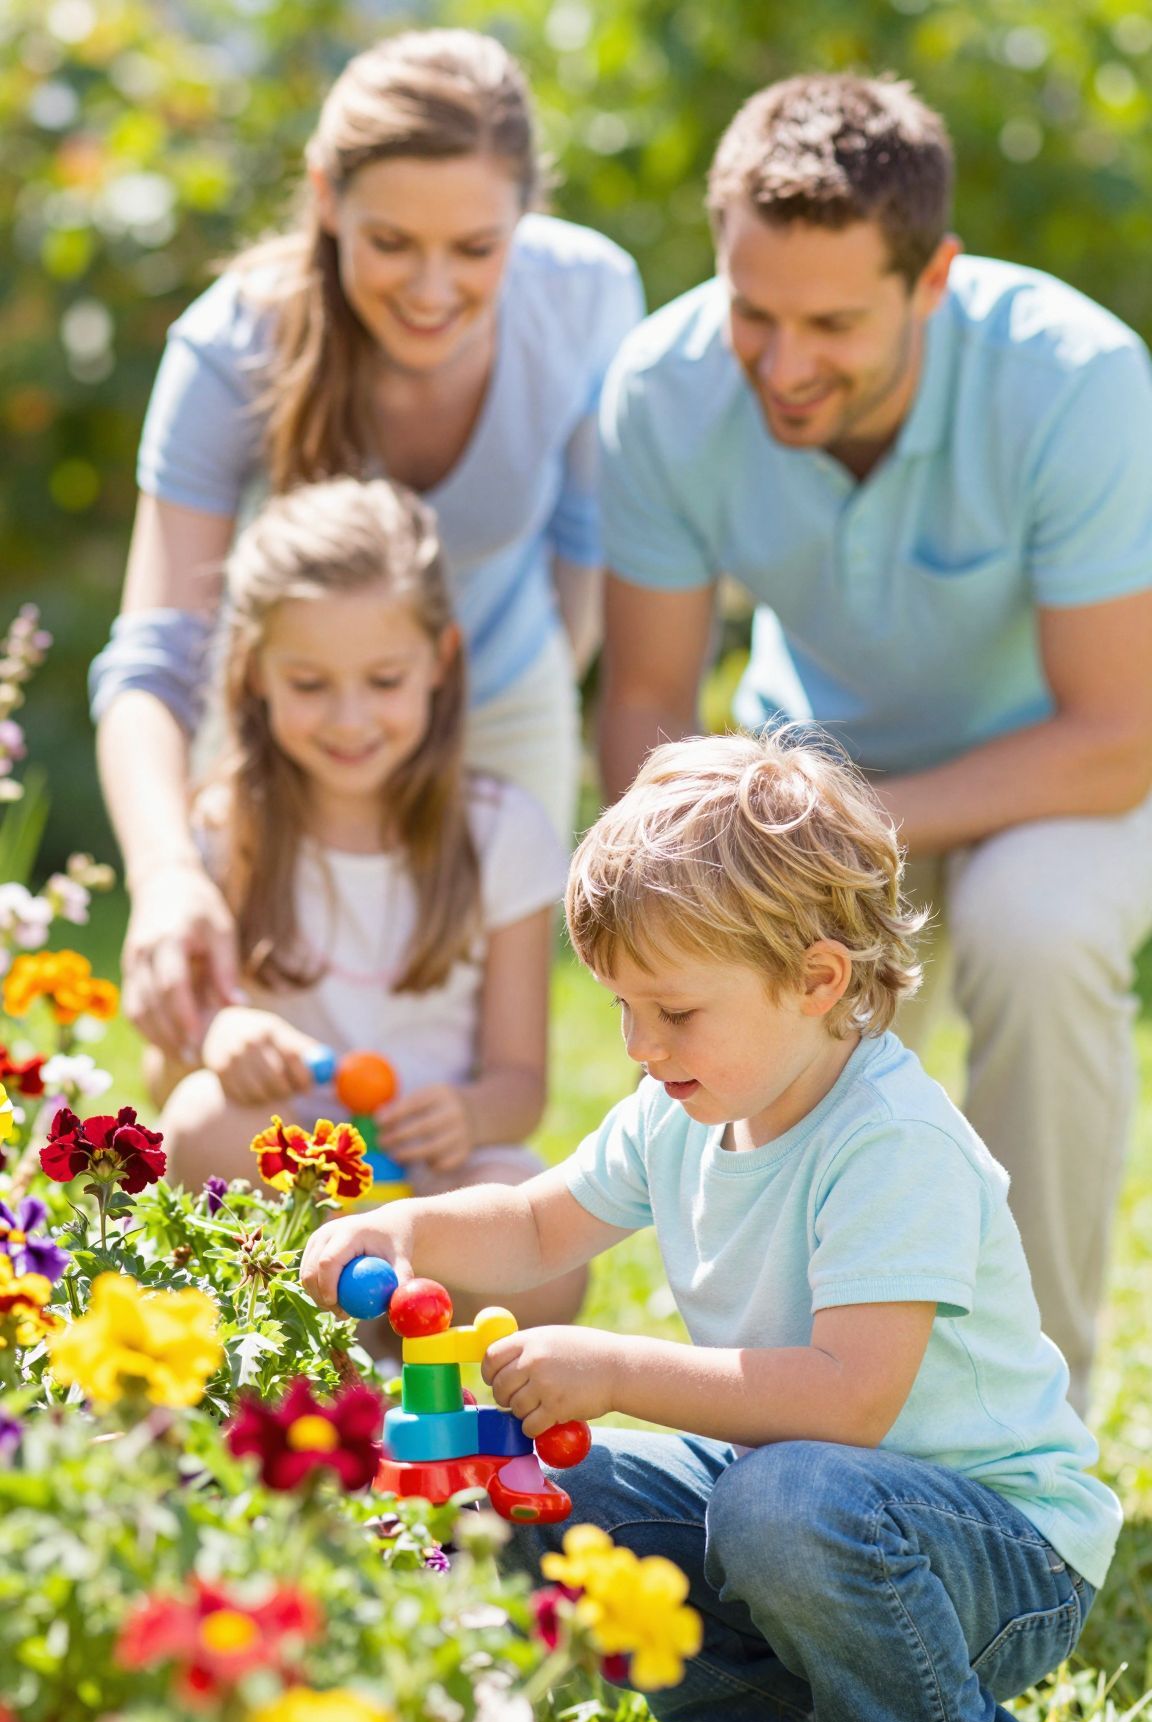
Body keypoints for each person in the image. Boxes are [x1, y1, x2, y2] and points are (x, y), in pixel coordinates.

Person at [300, 729, 1120, 1722]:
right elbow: (534, 1225)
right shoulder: (682, 1108)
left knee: (779, 1500)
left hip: (996, 1557)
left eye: (675, 1009)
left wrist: (616, 1368)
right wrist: (406, 1225)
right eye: (624, 1007)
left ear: (818, 979)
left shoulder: (891, 1141)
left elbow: (848, 1400)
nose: (641, 1046)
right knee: (528, 1483)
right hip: (802, 1517)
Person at [593, 72, 1152, 1412]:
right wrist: (685, 894)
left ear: (933, 278)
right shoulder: (663, 390)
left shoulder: (1074, 380)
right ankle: (796, 1399)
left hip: (1050, 786)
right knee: (748, 993)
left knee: (1035, 929)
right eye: (754, 312)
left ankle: (1037, 1419)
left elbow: (1118, 736)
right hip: (805, 778)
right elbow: (646, 692)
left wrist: (828, 834)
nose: (784, 365)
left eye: (834, 324)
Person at [90, 27, 642, 1066]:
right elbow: (154, 654)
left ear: (526, 215)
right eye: (391, 242)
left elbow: (587, 544)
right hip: (282, 712)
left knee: (477, 1061)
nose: (431, 289)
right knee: (220, 1051)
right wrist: (167, 874)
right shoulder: (233, 343)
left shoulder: (587, 296)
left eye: (475, 248)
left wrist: (488, 704)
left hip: (502, 691)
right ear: (327, 199)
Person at [159, 475, 582, 1332]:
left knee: (542, 1248)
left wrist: (468, 1114)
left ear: (440, 661)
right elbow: (169, 1071)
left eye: (384, 679)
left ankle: (391, 1334)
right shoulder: (224, 830)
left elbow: (521, 1084)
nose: (350, 719)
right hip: (293, 1184)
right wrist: (219, 1038)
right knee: (201, 1118)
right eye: (310, 683)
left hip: (432, 1187)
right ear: (255, 672)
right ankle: (300, 1325)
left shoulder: (502, 832)